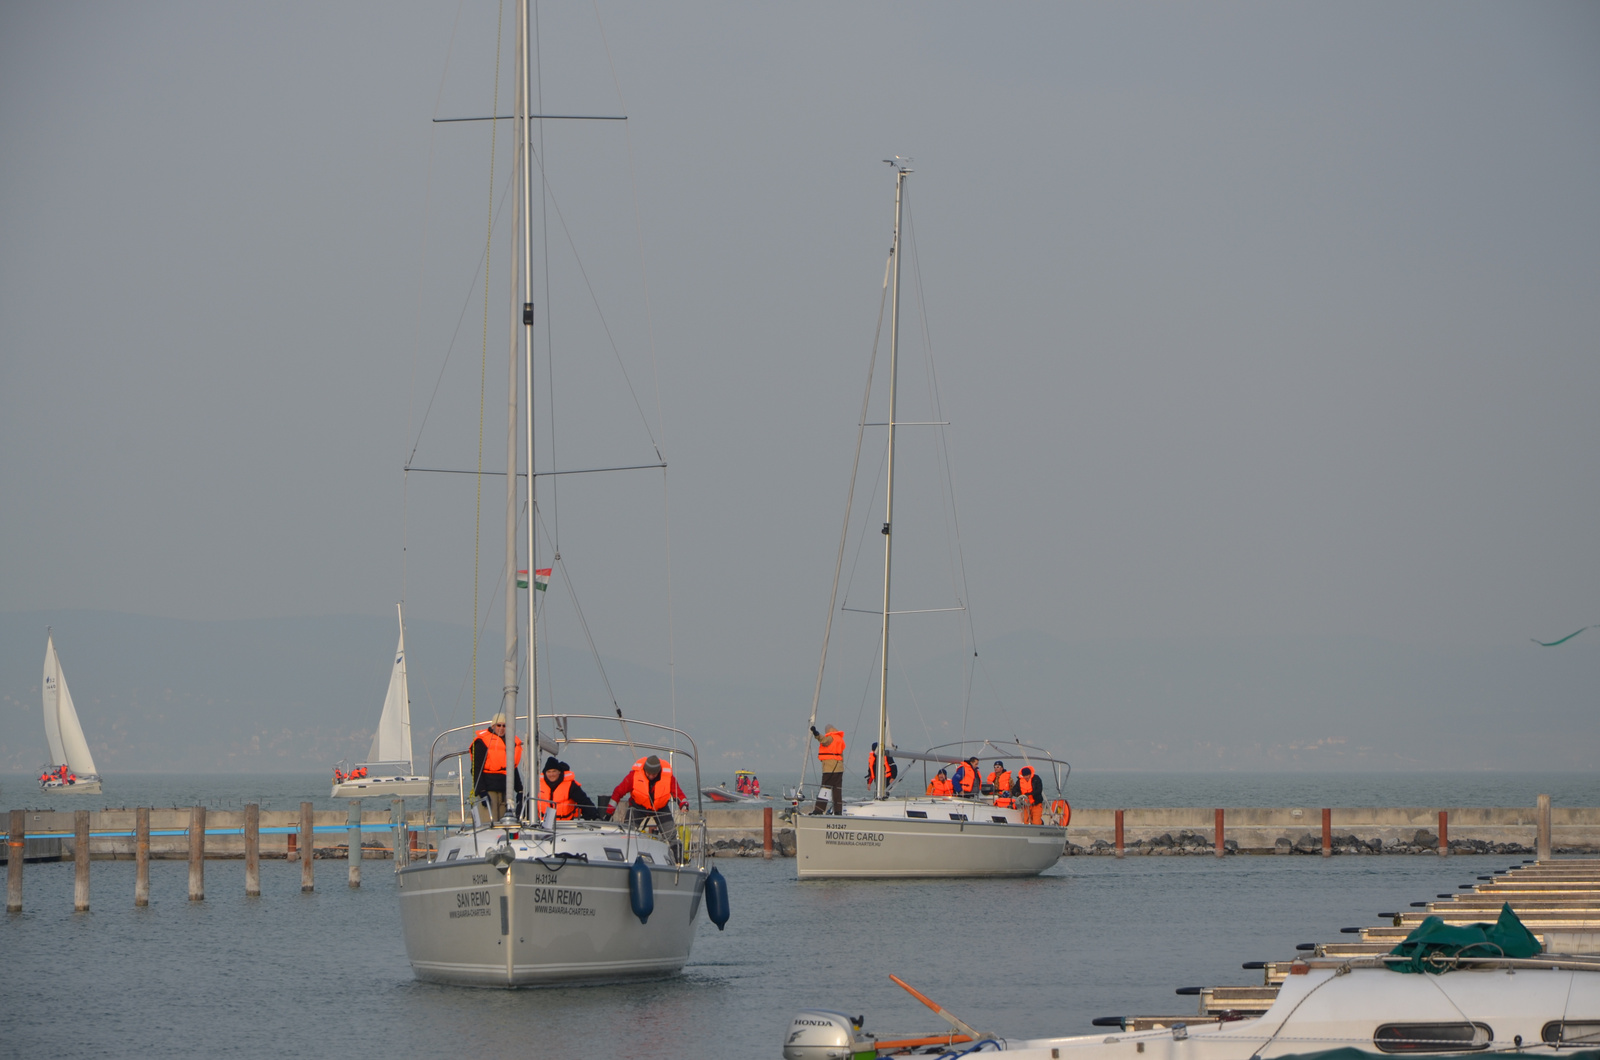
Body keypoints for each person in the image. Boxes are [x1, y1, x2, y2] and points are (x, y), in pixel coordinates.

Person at [609, 754, 688, 834]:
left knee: (671, 835)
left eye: (654, 774)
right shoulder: (633, 776)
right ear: (644, 770)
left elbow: (678, 793)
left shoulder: (668, 778)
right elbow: (618, 792)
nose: (651, 776)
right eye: (648, 773)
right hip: (637, 807)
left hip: (661, 809)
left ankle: (674, 846)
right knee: (627, 833)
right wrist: (609, 811)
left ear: (659, 771)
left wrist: (683, 804)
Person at [471, 713, 524, 822]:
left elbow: (513, 767)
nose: (501, 728)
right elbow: (476, 768)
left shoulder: (511, 742)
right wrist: (481, 791)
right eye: (499, 725)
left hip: (505, 790)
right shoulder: (482, 742)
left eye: (504, 726)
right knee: (490, 822)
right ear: (493, 726)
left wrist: (520, 790)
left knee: (505, 822)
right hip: (489, 790)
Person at [536, 757, 601, 822]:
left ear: (559, 772)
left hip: (565, 824)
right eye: (549, 772)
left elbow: (584, 801)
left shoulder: (570, 785)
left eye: (554, 771)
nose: (551, 774)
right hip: (543, 823)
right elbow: (529, 801)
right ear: (545, 773)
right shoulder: (538, 785)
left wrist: (595, 816)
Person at [810, 723, 846, 814]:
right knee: (837, 791)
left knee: (825, 788)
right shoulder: (839, 739)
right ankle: (838, 811)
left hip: (830, 769)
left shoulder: (831, 737)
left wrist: (816, 733)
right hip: (839, 769)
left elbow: (824, 740)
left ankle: (819, 810)